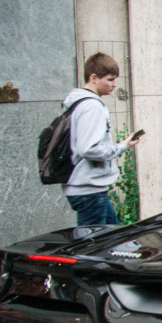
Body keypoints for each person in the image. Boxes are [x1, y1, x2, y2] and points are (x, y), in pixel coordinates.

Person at [62, 52, 141, 226]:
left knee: (114, 239)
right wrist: (121, 147)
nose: (114, 85)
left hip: (88, 188)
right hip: (89, 190)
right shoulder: (92, 106)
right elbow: (89, 148)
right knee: (93, 246)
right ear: (94, 78)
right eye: (110, 79)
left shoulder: (78, 102)